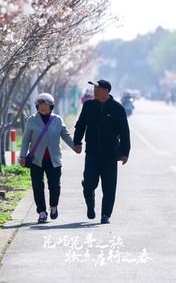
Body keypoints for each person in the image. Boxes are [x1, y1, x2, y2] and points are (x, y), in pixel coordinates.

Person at [74, 79, 131, 224]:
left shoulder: (117, 108)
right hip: (92, 153)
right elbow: (80, 125)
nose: (94, 91)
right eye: (94, 88)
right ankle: (90, 206)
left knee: (109, 186)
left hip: (110, 154)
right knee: (88, 183)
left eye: (97, 88)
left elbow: (125, 132)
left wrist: (125, 152)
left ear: (106, 91)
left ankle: (106, 214)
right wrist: (77, 142)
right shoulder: (88, 106)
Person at [20, 93, 82, 223]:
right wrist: (22, 156)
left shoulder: (57, 120)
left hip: (54, 159)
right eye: (40, 104)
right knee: (37, 186)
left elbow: (65, 135)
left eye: (45, 104)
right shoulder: (31, 120)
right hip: (36, 159)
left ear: (51, 106)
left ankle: (54, 206)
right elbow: (25, 140)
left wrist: (75, 147)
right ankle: (42, 212)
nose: (42, 107)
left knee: (54, 186)